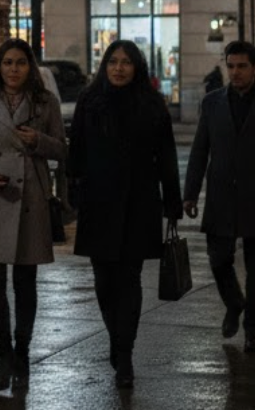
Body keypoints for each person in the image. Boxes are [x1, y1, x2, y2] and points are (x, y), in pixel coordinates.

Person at [67, 40, 182, 390]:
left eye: (126, 63)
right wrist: (75, 195)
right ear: (105, 66)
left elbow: (166, 157)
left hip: (139, 203)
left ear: (137, 68)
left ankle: (125, 355)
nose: (119, 68)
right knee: (104, 282)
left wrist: (172, 204)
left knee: (129, 281)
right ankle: (117, 341)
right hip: (98, 204)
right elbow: (78, 153)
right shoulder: (90, 101)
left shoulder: (151, 105)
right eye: (113, 62)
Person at [0, 38, 66, 393]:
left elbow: (64, 150)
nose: (13, 69)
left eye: (20, 63)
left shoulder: (45, 102)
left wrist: (38, 140)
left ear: (30, 67)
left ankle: (22, 353)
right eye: (7, 63)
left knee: (25, 284)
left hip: (30, 200)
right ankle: (3, 356)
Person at [182, 40, 255, 353]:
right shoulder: (212, 103)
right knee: (219, 259)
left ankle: (253, 330)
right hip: (220, 195)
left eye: (242, 66)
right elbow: (200, 150)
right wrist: (190, 194)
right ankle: (234, 303)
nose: (235, 72)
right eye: (231, 66)